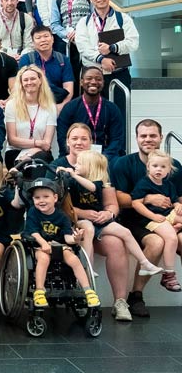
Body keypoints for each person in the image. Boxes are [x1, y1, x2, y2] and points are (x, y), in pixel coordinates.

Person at [52, 123, 132, 317]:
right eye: (75, 138)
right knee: (84, 231)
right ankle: (83, 295)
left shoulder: (98, 164)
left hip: (98, 223)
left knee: (116, 243)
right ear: (67, 142)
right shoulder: (57, 166)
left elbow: (111, 203)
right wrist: (81, 213)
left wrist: (109, 213)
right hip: (69, 224)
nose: (79, 142)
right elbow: (52, 204)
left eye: (84, 139)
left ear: (91, 142)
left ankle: (120, 302)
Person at [112, 119, 182, 318]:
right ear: (136, 139)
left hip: (167, 218)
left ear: (161, 137)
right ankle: (136, 296)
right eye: (143, 136)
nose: (148, 139)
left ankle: (170, 278)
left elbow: (180, 196)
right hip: (134, 220)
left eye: (153, 135)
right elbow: (117, 197)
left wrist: (178, 208)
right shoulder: (124, 163)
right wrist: (149, 198)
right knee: (157, 243)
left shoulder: (173, 165)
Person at [58, 150, 163, 278]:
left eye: (79, 164)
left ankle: (145, 264)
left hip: (99, 220)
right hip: (81, 220)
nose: (75, 166)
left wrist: (74, 175)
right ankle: (87, 267)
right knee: (88, 229)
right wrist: (61, 173)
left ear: (90, 167)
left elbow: (92, 188)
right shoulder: (72, 182)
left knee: (125, 232)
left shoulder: (97, 183)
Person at [24, 179, 101, 309]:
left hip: (59, 245)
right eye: (37, 198)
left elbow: (67, 238)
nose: (41, 200)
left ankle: (88, 291)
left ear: (55, 198)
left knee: (74, 259)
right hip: (38, 245)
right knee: (43, 258)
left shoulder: (62, 216)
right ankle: (39, 291)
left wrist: (76, 239)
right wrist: (44, 244)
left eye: (45, 197)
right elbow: (33, 232)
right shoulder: (33, 212)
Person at [75, 0, 138, 117]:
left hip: (119, 74)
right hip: (93, 75)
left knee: (120, 115)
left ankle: (120, 139)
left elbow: (133, 42)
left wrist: (112, 48)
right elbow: (83, 47)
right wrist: (101, 59)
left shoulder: (123, 19)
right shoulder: (84, 22)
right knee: (92, 115)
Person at [130, 149, 182, 292]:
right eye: (155, 166)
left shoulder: (168, 185)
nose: (159, 169)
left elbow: (174, 201)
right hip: (151, 218)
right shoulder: (144, 183)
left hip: (167, 214)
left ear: (168, 170)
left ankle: (176, 226)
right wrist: (153, 217)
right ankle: (169, 274)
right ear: (148, 167)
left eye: (163, 167)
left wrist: (177, 205)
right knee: (171, 238)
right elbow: (136, 203)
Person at [57, 67, 124, 160]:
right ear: (81, 82)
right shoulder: (70, 108)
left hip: (105, 158)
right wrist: (77, 156)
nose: (93, 82)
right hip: (76, 156)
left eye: (98, 79)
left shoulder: (112, 109)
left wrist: (103, 157)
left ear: (103, 83)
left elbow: (117, 139)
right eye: (89, 78)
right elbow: (62, 138)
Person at [4, 65, 57, 167]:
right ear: (21, 83)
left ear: (40, 81)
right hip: (15, 152)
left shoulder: (50, 107)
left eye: (33, 79)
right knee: (31, 167)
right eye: (25, 80)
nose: (29, 82)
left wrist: (31, 152)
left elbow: (46, 144)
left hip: (40, 152)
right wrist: (38, 143)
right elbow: (12, 140)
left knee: (36, 163)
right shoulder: (11, 105)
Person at [48, 0, 91, 80]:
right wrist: (67, 34)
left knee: (86, 76)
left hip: (86, 41)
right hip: (66, 43)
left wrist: (79, 32)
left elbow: (93, 17)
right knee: (68, 76)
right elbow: (55, 24)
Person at [19, 25, 74, 110]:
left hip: (58, 103)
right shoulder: (27, 59)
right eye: (38, 37)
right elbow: (22, 87)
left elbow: (68, 88)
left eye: (46, 36)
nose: (43, 40)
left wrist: (61, 106)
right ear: (33, 43)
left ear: (52, 39)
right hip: (33, 104)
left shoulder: (63, 59)